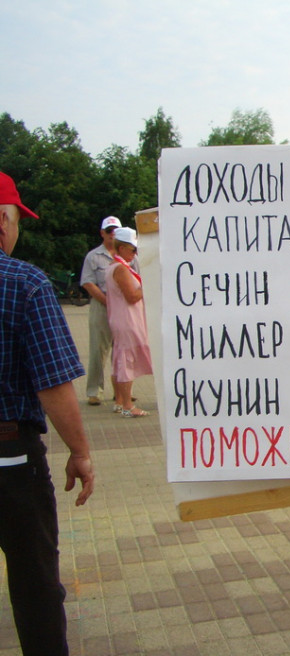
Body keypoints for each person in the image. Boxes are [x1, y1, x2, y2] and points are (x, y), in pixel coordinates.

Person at [0, 171, 96, 655]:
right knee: (34, 582)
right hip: (11, 461)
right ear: (3, 221)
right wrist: (80, 452)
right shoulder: (25, 284)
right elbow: (54, 384)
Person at [80, 216, 138, 406]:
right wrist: (107, 302)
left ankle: (122, 393)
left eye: (115, 230)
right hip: (102, 304)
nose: (112, 234)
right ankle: (94, 391)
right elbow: (88, 283)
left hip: (124, 307)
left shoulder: (131, 256)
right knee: (98, 349)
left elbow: (139, 277)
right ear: (102, 233)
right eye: (109, 231)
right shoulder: (93, 256)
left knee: (123, 351)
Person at [105, 227, 152, 417]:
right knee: (126, 361)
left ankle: (120, 402)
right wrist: (147, 285)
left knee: (120, 359)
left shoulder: (117, 266)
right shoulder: (121, 269)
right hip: (127, 319)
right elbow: (132, 296)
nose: (135, 254)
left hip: (122, 318)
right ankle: (127, 405)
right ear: (122, 248)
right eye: (133, 250)